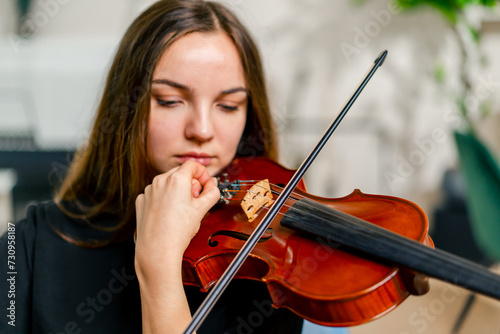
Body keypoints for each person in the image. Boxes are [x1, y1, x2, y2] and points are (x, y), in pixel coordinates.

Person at [0, 0, 309, 333]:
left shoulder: (270, 268)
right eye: (170, 101)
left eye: (229, 105)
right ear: (126, 108)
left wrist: (159, 267)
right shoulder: (26, 246)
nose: (202, 130)